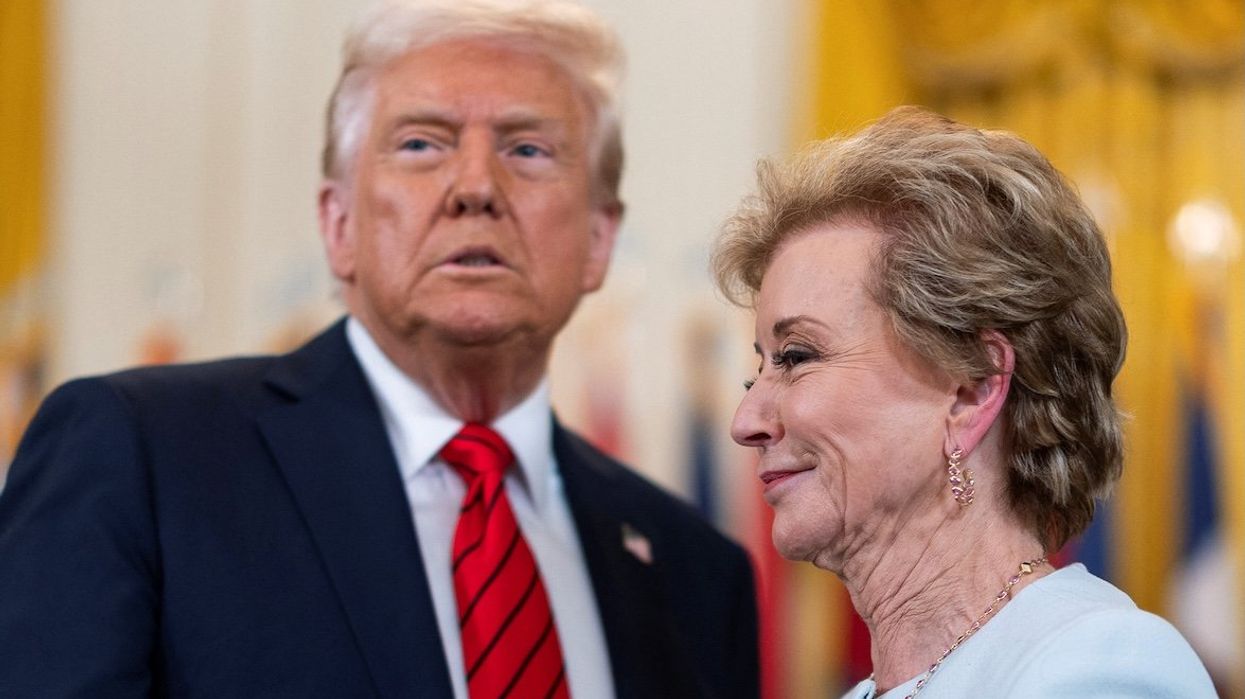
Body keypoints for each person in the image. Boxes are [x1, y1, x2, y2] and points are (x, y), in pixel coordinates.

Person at [0, 1, 758, 697]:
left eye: (528, 149)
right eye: (421, 143)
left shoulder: (695, 571)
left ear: (598, 239)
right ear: (338, 225)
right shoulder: (145, 460)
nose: (475, 186)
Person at [712, 107, 1215, 698]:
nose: (745, 422)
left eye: (797, 357)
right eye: (758, 372)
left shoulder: (1102, 669)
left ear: (971, 390)